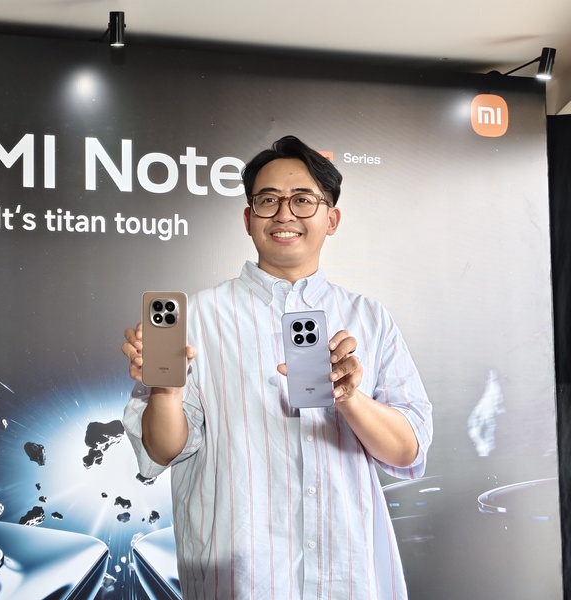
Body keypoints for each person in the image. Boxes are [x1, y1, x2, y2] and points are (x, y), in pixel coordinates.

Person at [122, 135, 433, 599]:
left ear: (332, 219)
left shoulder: (369, 317)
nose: (284, 214)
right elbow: (162, 450)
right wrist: (166, 391)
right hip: (243, 578)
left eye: (303, 200)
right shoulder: (197, 318)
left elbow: (407, 450)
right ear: (248, 219)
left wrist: (349, 398)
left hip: (349, 574)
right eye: (268, 201)